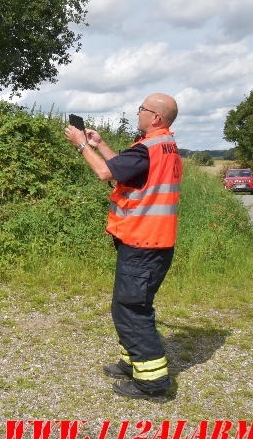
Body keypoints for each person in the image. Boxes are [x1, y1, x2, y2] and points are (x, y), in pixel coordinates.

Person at [64, 93, 182, 401]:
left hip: (144, 243)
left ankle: (153, 383)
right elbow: (125, 170)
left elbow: (105, 173)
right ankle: (132, 362)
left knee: (132, 309)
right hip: (149, 241)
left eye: (142, 108)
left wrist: (80, 144)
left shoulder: (148, 148)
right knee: (128, 305)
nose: (138, 112)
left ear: (155, 117)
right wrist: (99, 144)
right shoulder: (162, 145)